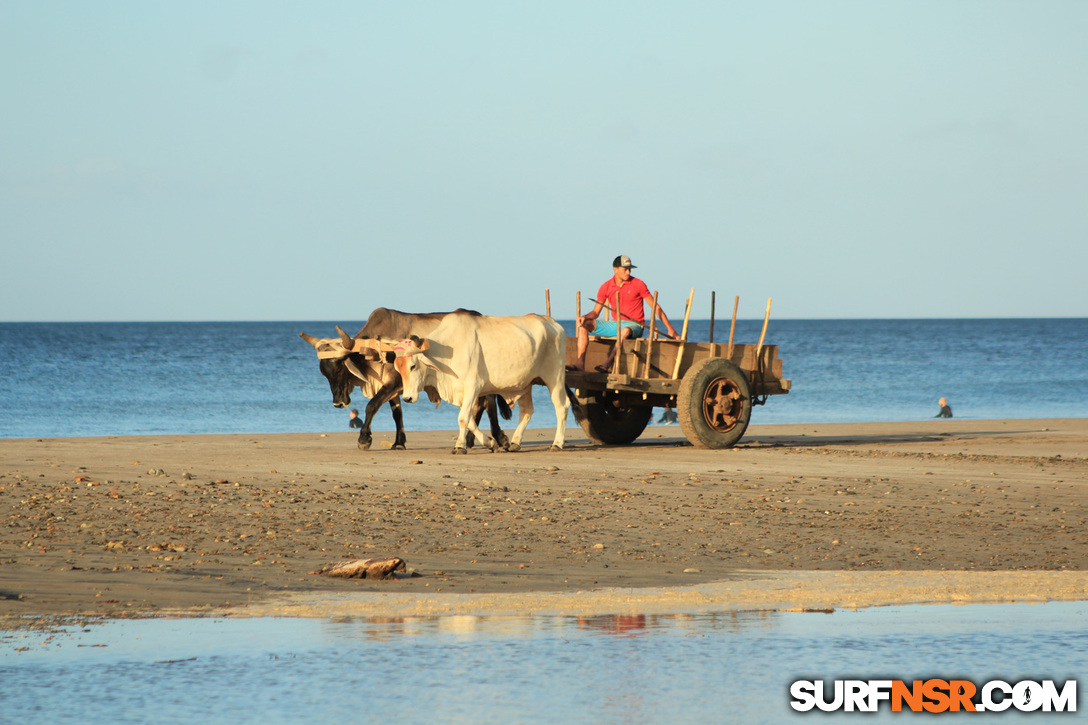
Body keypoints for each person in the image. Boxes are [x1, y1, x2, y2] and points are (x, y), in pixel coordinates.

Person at [571, 254, 679, 372]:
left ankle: (608, 363)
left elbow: (655, 307)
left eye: (629, 269)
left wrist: (670, 329)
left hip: (635, 326)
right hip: (615, 325)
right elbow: (596, 312)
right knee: (583, 325)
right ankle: (580, 364)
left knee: (625, 330)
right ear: (615, 269)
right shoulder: (606, 286)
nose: (628, 272)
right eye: (625, 269)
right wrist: (584, 317)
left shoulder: (638, 284)